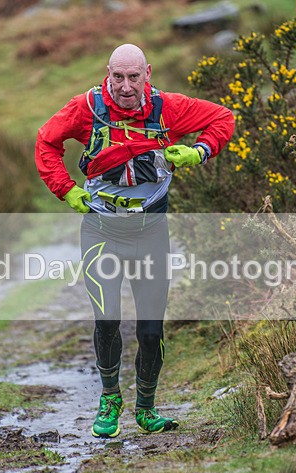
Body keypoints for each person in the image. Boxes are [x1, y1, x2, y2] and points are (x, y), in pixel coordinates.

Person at [35, 43, 234, 438]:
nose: (126, 86)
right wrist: (66, 190)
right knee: (107, 320)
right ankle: (110, 399)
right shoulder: (86, 108)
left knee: (150, 330)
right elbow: (46, 141)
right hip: (101, 232)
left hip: (151, 232)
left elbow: (223, 118)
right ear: (107, 73)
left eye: (134, 77)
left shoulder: (167, 108)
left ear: (148, 74)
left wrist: (199, 152)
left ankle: (146, 408)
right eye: (118, 77)